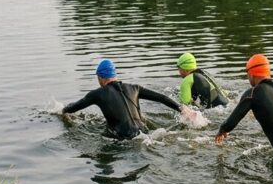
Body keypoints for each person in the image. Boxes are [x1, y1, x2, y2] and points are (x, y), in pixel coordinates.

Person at [62, 59, 192, 139]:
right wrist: (181, 109)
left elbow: (73, 108)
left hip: (124, 138)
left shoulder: (97, 94)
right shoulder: (134, 88)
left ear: (101, 77)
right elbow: (161, 98)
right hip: (146, 132)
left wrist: (61, 110)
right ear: (114, 74)